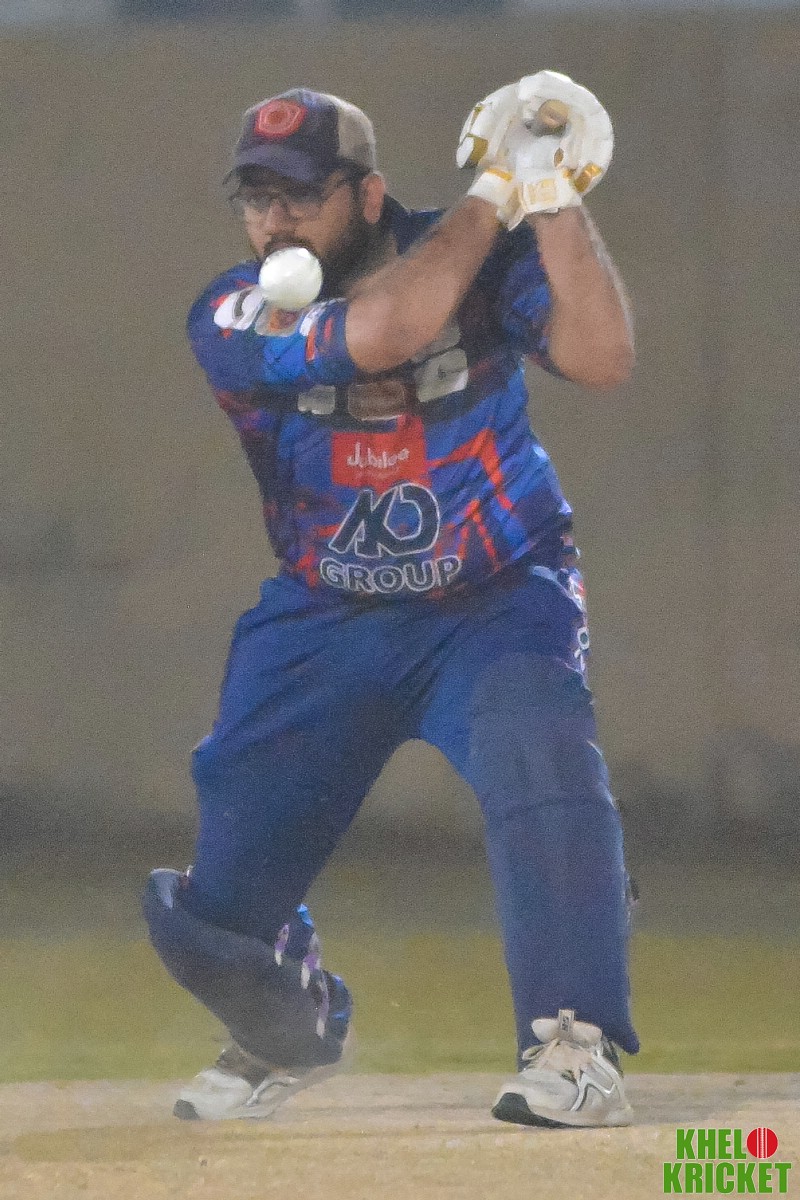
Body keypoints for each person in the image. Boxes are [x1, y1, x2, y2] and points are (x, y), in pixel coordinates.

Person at [143, 75, 640, 1129]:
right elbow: (383, 332)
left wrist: (552, 195)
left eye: (300, 194)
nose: (275, 220)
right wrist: (494, 189)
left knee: (540, 758)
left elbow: (602, 357)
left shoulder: (480, 251)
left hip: (493, 595)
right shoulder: (234, 311)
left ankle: (573, 1043)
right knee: (217, 895)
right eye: (256, 197)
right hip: (325, 616)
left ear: (368, 196)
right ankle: (287, 1027)